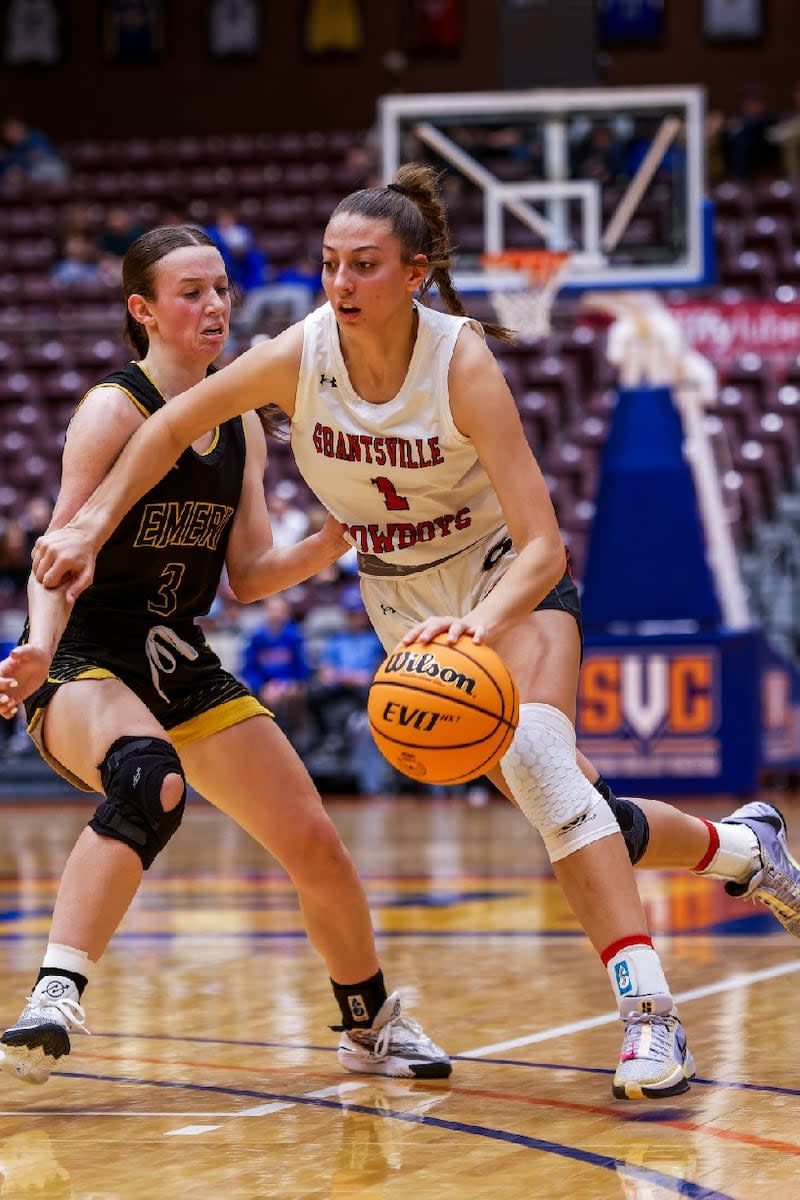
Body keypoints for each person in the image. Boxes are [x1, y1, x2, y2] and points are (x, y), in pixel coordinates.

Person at [20, 167, 800, 1101]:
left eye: (364, 266)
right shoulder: (291, 357)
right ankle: (746, 850)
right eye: (328, 265)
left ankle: (649, 1019)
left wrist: (480, 621)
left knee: (550, 780)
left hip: (503, 583)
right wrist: (91, 526)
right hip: (400, 608)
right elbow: (169, 424)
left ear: (416, 274)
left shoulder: (461, 362)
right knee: (589, 817)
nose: (341, 284)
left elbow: (547, 546)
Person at [0, 224, 450, 1087]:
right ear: (144, 311)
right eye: (191, 293)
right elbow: (60, 549)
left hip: (181, 661)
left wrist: (333, 539)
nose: (214, 307)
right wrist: (35, 646)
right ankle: (56, 992)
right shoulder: (113, 407)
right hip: (86, 660)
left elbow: (246, 573)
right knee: (146, 774)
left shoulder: (237, 416)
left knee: (314, 839)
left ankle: (368, 1026)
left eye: (221, 291)